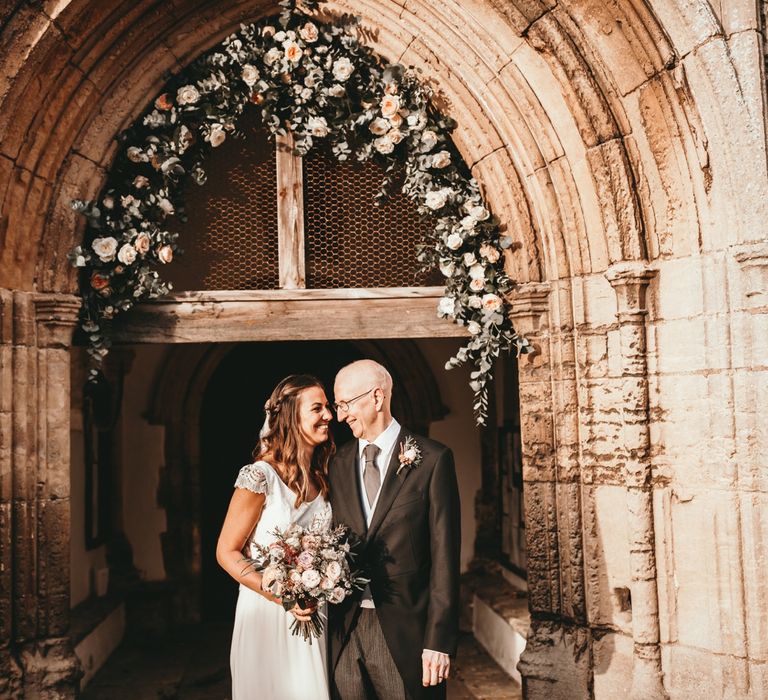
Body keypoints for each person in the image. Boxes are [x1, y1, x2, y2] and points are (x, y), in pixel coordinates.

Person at [328, 360, 461, 700]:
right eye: (337, 406)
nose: (340, 416)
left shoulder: (432, 459)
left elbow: (445, 556)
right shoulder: (335, 463)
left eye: (345, 404)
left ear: (376, 397)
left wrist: (438, 640)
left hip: (407, 631)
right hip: (345, 628)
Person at [216, 374, 335, 700]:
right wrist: (283, 596)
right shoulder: (259, 476)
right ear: (291, 418)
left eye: (327, 407)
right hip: (268, 616)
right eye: (318, 408)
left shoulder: (321, 477)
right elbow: (226, 552)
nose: (329, 415)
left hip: (314, 613)